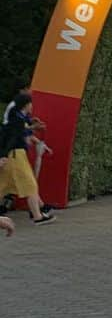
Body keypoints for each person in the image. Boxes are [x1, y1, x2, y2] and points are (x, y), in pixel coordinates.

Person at [0, 95, 54, 223]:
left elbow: (23, 125)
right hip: (15, 154)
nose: (32, 106)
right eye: (31, 104)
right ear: (26, 105)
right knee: (30, 184)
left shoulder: (19, 117)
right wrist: (3, 155)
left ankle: (39, 210)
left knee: (2, 185)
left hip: (14, 155)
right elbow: (13, 137)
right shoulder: (17, 119)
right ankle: (37, 216)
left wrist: (32, 124)